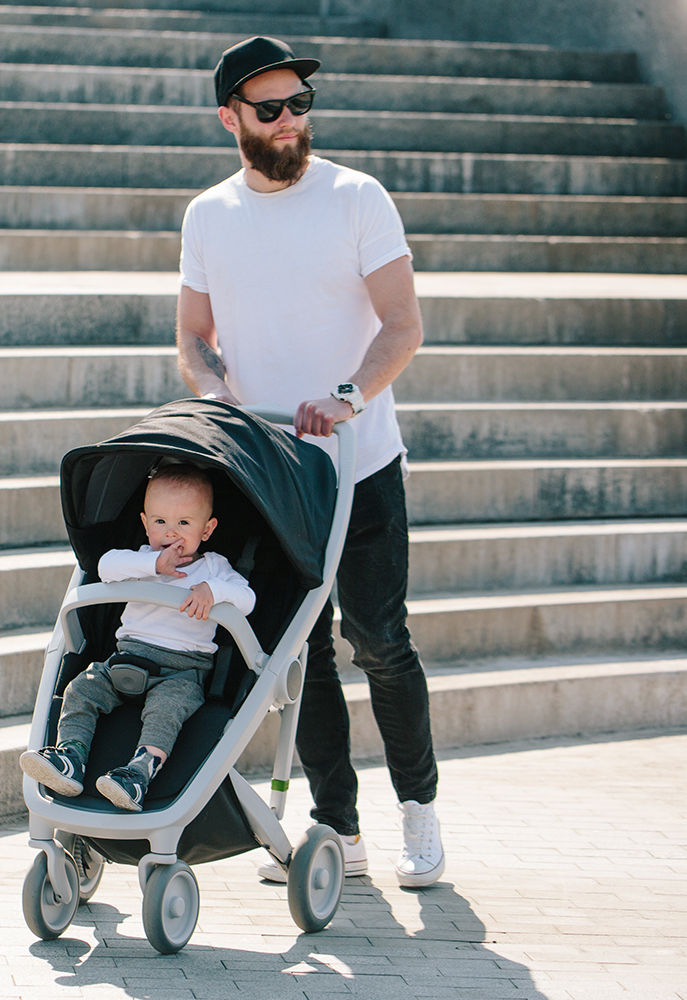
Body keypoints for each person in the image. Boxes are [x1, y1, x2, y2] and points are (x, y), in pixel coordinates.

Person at [173, 35, 446, 887]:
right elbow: (193, 336)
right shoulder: (208, 215)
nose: (291, 121)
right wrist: (213, 388)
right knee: (300, 650)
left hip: (359, 461)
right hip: (272, 470)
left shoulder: (357, 199)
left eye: (300, 105)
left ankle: (419, 812)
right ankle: (338, 827)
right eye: (270, 108)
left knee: (380, 640)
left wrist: (349, 397)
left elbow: (402, 326)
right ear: (231, 119)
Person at [20, 464, 255, 812]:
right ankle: (70, 757)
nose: (171, 533)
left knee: (167, 710)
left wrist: (212, 591)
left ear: (207, 530)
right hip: (124, 660)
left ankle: (138, 774)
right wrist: (153, 565)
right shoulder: (140, 560)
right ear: (145, 524)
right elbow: (105, 567)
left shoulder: (214, 568)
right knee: (81, 689)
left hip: (182, 671)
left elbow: (246, 599)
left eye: (184, 524)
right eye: (160, 522)